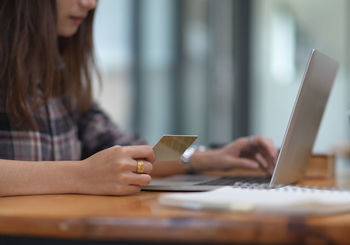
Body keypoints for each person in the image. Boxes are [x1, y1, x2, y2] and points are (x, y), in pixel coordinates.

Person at [0, 0, 278, 198]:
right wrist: (82, 175)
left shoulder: (58, 72)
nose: (90, 4)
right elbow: (96, 170)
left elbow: (129, 150)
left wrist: (206, 157)